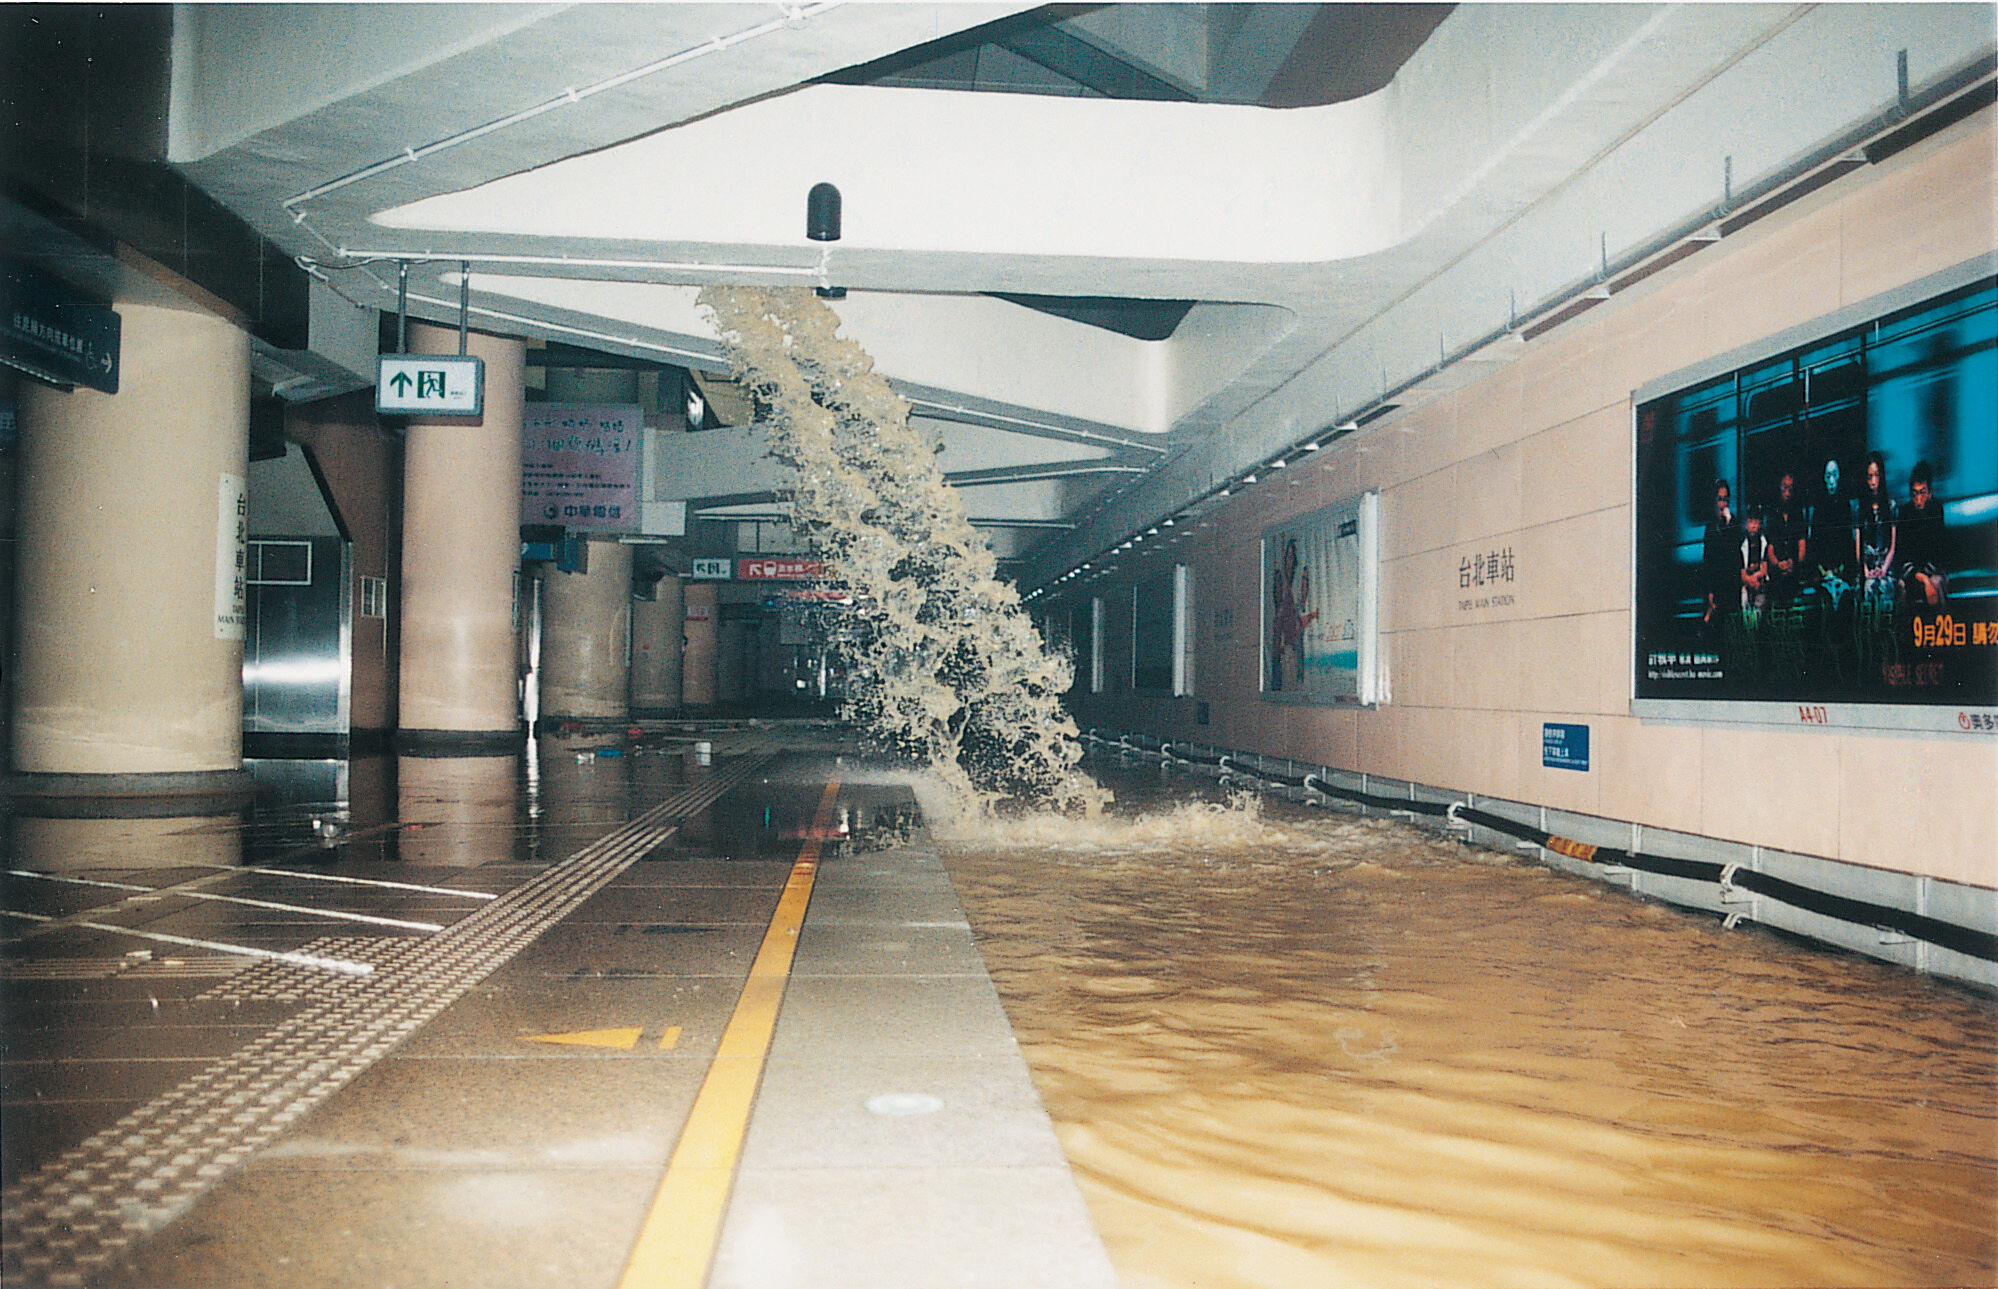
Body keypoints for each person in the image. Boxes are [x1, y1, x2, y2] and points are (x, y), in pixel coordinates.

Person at [1896, 459, 1948, 606]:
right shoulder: (1905, 513)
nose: (1918, 500)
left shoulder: (1937, 510)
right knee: (1900, 586)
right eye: (1914, 493)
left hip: (1933, 572)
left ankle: (1940, 627)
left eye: (1922, 493)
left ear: (1930, 492)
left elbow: (1939, 554)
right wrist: (1921, 578)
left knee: (1936, 583)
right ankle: (1903, 628)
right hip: (1913, 574)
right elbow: (1902, 555)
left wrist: (1927, 578)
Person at [1269, 537, 1318, 690]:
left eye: (1292, 556)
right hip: (1284, 649)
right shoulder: (1285, 594)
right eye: (1287, 556)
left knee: (1295, 681)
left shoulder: (1295, 592)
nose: (1289, 561)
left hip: (1293, 647)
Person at [1856, 450, 1897, 610]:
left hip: (1886, 567)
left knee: (1885, 588)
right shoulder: (1860, 509)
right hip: (1867, 567)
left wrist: (1884, 568)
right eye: (1869, 476)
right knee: (1868, 589)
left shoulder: (1891, 506)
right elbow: (1858, 545)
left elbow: (1893, 545)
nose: (1873, 482)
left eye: (1877, 476)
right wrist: (1865, 569)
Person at [1812, 456, 1855, 607]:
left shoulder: (1845, 505)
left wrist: (1841, 571)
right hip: (1823, 573)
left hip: (1842, 573)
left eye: (1834, 475)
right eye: (1828, 476)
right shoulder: (1819, 507)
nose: (1831, 481)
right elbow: (1815, 542)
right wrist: (1823, 572)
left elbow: (1848, 541)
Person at [1764, 469, 1809, 608]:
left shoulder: (1798, 514)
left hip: (1794, 570)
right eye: (1785, 487)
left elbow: (1802, 544)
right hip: (1777, 572)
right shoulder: (1772, 514)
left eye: (1790, 488)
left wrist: (1793, 563)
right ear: (1779, 487)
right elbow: (1770, 546)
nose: (1787, 493)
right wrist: (1778, 564)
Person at [1701, 477, 1739, 632]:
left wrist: (1728, 523)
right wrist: (1710, 592)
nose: (1723, 504)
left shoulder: (1733, 522)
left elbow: (1734, 553)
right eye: (1720, 499)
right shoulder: (1710, 526)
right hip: (1715, 587)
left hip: (1730, 586)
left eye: (1726, 499)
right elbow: (1707, 561)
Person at [1739, 507, 1772, 617]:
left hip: (1760, 583)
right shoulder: (1741, 545)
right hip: (1746, 584)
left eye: (1756, 522)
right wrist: (1750, 580)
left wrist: (1756, 578)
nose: (1753, 526)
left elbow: (1764, 568)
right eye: (1750, 522)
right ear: (1746, 524)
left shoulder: (1764, 543)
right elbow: (1742, 572)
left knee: (1761, 604)